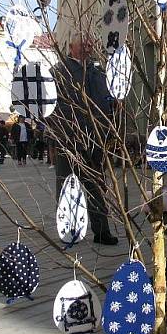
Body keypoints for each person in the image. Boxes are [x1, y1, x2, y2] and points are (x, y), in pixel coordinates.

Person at [50, 33, 118, 245]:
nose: (88, 47)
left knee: (97, 186)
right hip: (69, 141)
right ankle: (69, 229)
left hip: (95, 140)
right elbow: (52, 108)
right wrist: (64, 133)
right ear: (71, 47)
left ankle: (101, 231)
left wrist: (109, 128)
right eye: (84, 44)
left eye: (91, 44)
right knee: (67, 186)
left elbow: (108, 102)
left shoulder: (98, 71)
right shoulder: (59, 72)